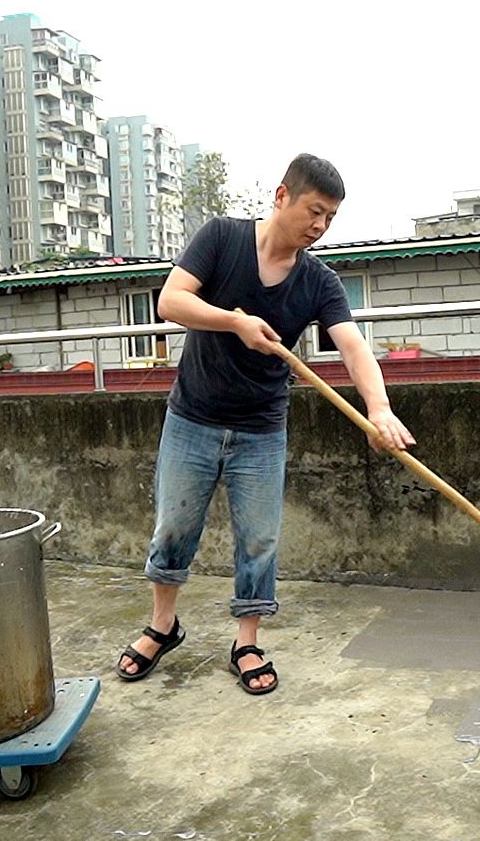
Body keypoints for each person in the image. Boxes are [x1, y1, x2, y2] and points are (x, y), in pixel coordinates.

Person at [115, 153, 415, 695]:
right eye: (314, 211)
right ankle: (163, 627)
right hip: (193, 418)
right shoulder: (221, 238)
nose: (320, 226)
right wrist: (235, 321)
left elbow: (352, 346)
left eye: (330, 218)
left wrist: (380, 409)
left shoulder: (318, 281)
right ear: (282, 197)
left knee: (259, 540)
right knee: (173, 529)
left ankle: (246, 641)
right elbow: (171, 302)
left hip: (261, 429)